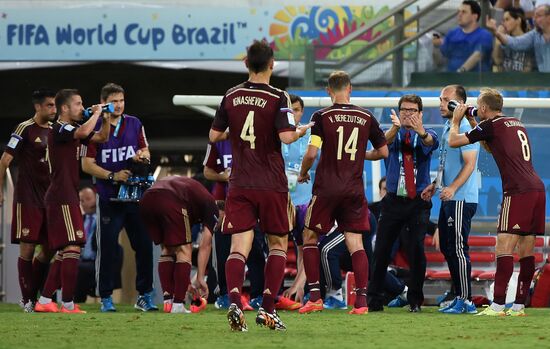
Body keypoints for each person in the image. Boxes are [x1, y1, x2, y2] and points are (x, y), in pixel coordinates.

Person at [209, 39, 312, 331]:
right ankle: (267, 310)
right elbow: (287, 137)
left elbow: (214, 136)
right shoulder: (279, 96)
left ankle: (232, 301)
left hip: (240, 182)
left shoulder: (231, 95)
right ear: (272, 64)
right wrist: (301, 129)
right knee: (278, 243)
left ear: (245, 63)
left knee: (238, 246)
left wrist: (238, 132)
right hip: (271, 183)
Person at [298, 70, 388, 315]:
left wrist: (303, 172)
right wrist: (361, 155)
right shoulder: (365, 116)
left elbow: (311, 153)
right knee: (355, 242)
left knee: (309, 237)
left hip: (327, 188)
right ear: (350, 89)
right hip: (353, 190)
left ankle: (315, 296)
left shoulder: (321, 116)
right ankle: (361, 302)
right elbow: (384, 152)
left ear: (328, 91)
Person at [449, 88, 545, 317]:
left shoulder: (491, 125)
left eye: (477, 107)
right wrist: (473, 120)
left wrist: (456, 121)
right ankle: (519, 306)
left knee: (503, 246)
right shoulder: (515, 123)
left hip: (517, 191)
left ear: (484, 108)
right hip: (537, 189)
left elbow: (454, 141)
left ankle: (498, 305)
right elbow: (491, 147)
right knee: (526, 249)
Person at [82, 83, 156, 312]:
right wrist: (112, 175)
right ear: (104, 101)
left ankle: (145, 295)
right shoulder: (94, 128)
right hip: (108, 199)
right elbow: (86, 165)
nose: (119, 105)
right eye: (114, 101)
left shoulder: (135, 123)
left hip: (134, 197)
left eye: (122, 100)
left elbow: (146, 150)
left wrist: (142, 156)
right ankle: (105, 297)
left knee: (144, 246)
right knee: (108, 250)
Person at [34, 89, 109, 313]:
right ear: (64, 108)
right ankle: (66, 302)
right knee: (73, 245)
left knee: (67, 250)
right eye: (78, 103)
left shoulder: (73, 130)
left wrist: (103, 119)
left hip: (65, 194)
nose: (81, 107)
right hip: (61, 195)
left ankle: (46, 300)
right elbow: (85, 130)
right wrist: (95, 114)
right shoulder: (60, 128)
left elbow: (101, 137)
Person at [367, 94, 439, 313]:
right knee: (380, 250)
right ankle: (374, 301)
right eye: (404, 110)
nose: (408, 114)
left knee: (416, 249)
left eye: (413, 110)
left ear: (420, 113)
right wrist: (394, 129)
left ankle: (415, 300)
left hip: (417, 202)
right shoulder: (391, 134)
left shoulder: (428, 133)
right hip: (392, 202)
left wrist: (421, 131)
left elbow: (431, 142)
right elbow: (381, 144)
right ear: (398, 113)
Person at [421, 85, 480, 314]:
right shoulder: (450, 126)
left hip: (461, 197)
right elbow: (447, 163)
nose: (441, 104)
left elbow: (470, 164)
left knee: (457, 247)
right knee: (448, 247)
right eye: (441, 99)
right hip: (450, 196)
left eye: (446, 100)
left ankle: (466, 299)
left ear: (459, 104)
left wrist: (453, 188)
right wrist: (435, 185)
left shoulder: (465, 126)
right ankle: (458, 293)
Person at [0, 89, 56, 312]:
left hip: (51, 199)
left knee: (52, 247)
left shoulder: (56, 131)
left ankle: (33, 295)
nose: (53, 109)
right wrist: (0, 191)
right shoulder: (24, 128)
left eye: (55, 105)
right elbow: (4, 161)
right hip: (28, 198)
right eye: (50, 105)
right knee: (28, 248)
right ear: (38, 107)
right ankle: (27, 300)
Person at [140, 175, 219, 314]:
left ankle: (168, 302)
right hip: (170, 199)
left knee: (167, 249)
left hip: (146, 199)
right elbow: (205, 244)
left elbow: (169, 244)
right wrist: (200, 277)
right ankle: (178, 305)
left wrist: (185, 281)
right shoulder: (212, 205)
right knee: (184, 249)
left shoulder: (191, 193)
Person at [202, 139, 265, 311]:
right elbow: (207, 172)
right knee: (223, 251)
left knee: (256, 251)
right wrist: (222, 176)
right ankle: (224, 294)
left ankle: (258, 295)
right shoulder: (218, 141)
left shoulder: (255, 137)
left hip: (253, 202)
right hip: (227, 203)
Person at [280, 94, 315, 310]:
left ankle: (299, 287)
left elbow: (312, 157)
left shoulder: (310, 132)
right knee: (279, 244)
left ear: (302, 112)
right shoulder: (279, 134)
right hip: (282, 198)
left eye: (297, 109)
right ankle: (276, 290)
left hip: (303, 198)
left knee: (305, 245)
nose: (293, 113)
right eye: (289, 109)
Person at [433, 1, 493, 72]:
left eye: (464, 12)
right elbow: (441, 58)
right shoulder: (452, 33)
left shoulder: (484, 35)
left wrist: (461, 71)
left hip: (475, 80)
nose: (459, 15)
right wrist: (436, 47)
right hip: (450, 79)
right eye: (459, 11)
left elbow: (477, 56)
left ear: (474, 16)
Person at [487, 4, 550, 72]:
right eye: (534, 16)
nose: (534, 19)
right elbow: (516, 43)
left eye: (538, 16)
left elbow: (528, 68)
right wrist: (496, 32)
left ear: (549, 18)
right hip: (542, 81)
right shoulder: (534, 34)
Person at [492, 7, 534, 72]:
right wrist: (498, 38)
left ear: (518, 20)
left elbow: (528, 67)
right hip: (504, 79)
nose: (504, 23)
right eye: (503, 20)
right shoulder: (503, 39)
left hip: (522, 80)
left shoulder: (528, 39)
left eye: (507, 19)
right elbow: (497, 61)